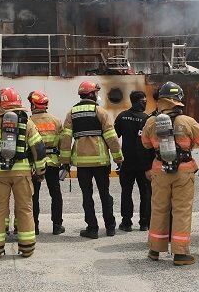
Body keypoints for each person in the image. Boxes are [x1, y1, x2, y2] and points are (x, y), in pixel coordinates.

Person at [141, 82, 199, 265]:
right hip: (183, 172)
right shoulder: (187, 121)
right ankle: (180, 254)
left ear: (161, 100)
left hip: (160, 170)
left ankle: (154, 250)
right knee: (182, 211)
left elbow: (146, 144)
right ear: (178, 99)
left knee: (159, 209)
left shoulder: (151, 121)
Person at [0, 87, 46, 258]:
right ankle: (26, 248)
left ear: (2, 103)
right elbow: (38, 148)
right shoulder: (27, 122)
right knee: (25, 208)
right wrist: (40, 170)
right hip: (22, 173)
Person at [59, 81, 123, 239]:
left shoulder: (71, 113)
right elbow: (111, 138)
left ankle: (92, 229)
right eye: (96, 92)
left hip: (82, 164)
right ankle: (110, 227)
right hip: (101, 163)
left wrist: (65, 162)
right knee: (104, 194)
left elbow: (66, 139)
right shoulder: (100, 112)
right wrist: (118, 158)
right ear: (92, 94)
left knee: (87, 196)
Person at [113, 90, 151, 232]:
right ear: (140, 101)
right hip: (144, 163)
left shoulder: (122, 117)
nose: (146, 103)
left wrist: (117, 157)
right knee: (145, 193)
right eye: (144, 100)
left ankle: (126, 223)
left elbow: (114, 136)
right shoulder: (147, 119)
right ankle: (144, 223)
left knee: (126, 193)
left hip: (126, 162)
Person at [28, 91, 65, 236]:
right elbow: (62, 142)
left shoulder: (29, 121)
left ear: (33, 104)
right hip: (53, 163)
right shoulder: (56, 121)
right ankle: (57, 225)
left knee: (33, 195)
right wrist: (64, 161)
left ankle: (34, 226)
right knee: (55, 194)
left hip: (35, 164)